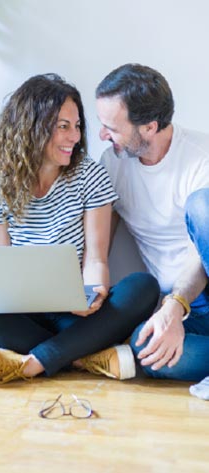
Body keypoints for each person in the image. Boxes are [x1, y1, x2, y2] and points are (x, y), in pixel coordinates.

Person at [0, 73, 159, 384]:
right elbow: (0, 268)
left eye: (78, 126)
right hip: (23, 315)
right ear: (31, 127)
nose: (75, 136)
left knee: (143, 288)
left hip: (76, 315)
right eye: (63, 126)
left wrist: (92, 295)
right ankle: (83, 358)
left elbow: (96, 259)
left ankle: (32, 363)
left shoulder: (89, 176)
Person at [96, 63, 209, 399]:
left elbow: (198, 254)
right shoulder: (112, 163)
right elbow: (101, 238)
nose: (102, 135)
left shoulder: (201, 158)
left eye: (111, 128)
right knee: (143, 349)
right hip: (189, 310)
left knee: (204, 205)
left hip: (191, 291)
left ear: (149, 126)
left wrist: (175, 305)